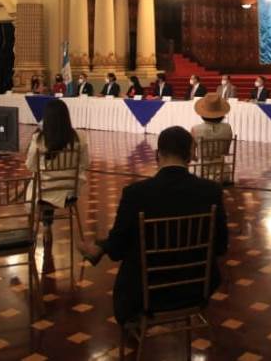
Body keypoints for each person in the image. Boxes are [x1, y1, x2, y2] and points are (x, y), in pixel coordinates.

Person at [77, 126, 228, 326]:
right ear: (190, 156)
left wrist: (107, 246)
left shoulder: (136, 193)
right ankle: (100, 247)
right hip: (196, 287)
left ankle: (99, 248)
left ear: (158, 155)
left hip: (146, 292)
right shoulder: (211, 192)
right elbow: (220, 247)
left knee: (127, 247)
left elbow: (117, 252)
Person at [25, 99, 89, 217]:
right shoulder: (80, 137)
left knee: (33, 183)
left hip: (45, 190)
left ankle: (45, 222)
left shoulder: (39, 138)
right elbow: (85, 163)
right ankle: (47, 221)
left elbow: (30, 166)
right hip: (70, 190)